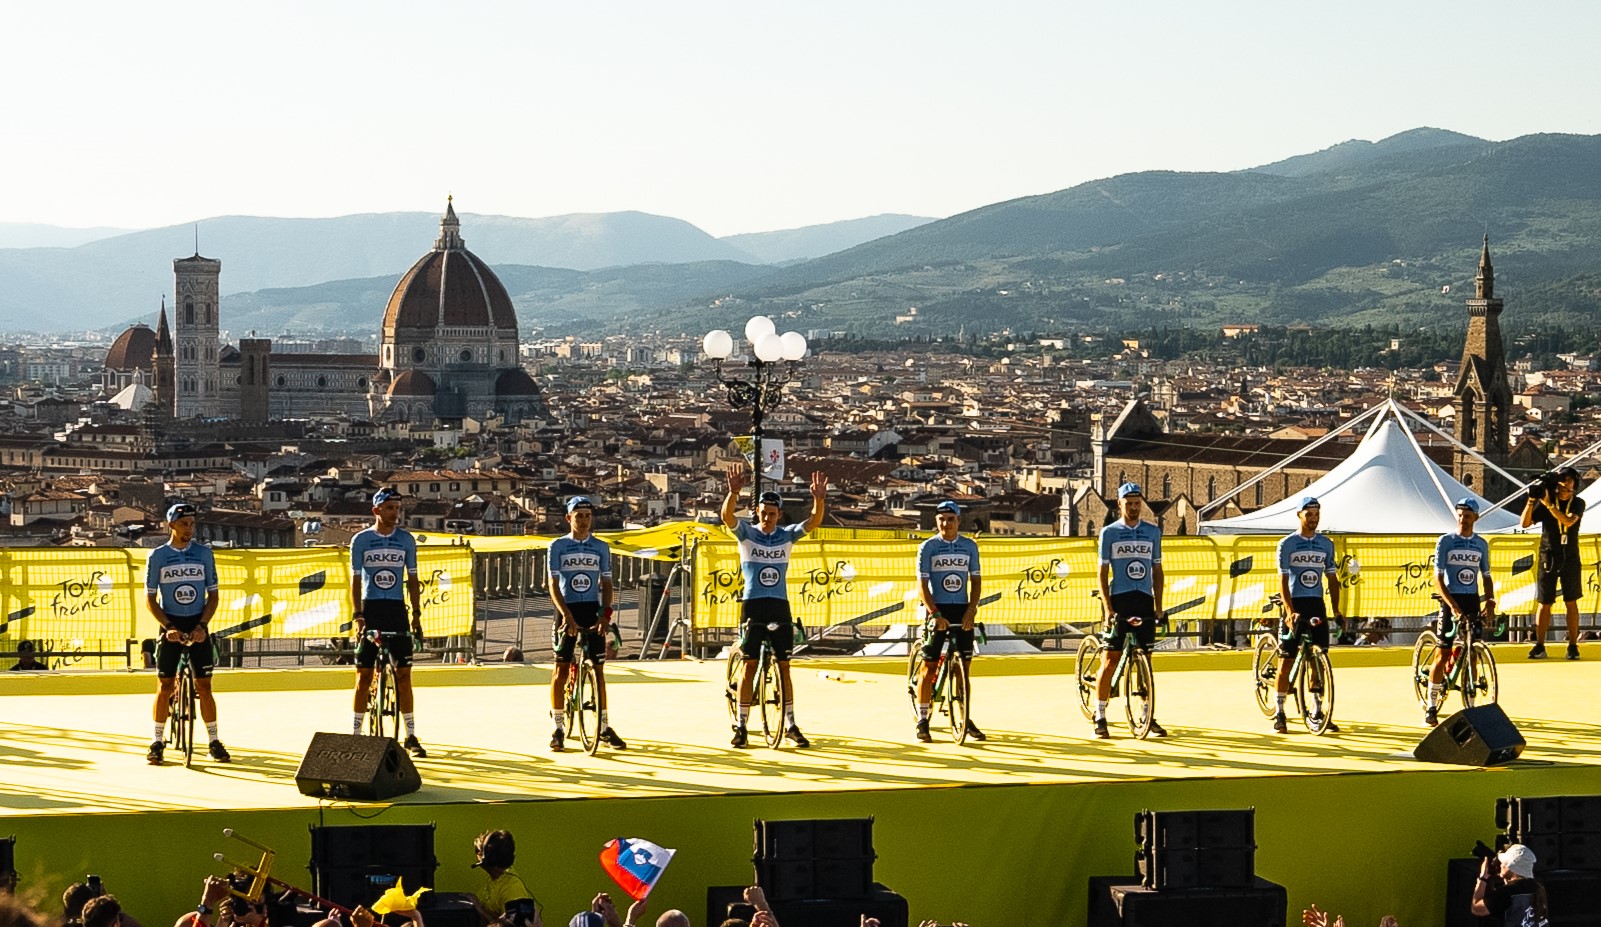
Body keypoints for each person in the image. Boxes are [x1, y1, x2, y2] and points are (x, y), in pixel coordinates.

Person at [720, 467, 827, 749]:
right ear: (757, 512)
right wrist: (733, 493)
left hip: (779, 605)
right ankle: (741, 725)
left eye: (772, 514)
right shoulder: (746, 533)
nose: (767, 518)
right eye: (763, 513)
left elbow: (814, 522)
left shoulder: (786, 536)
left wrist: (818, 499)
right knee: (750, 665)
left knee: (785, 666)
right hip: (753, 605)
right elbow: (727, 517)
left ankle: (790, 723)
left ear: (779, 514)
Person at [145, 502, 229, 765]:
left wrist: (203, 626)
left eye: (192, 524)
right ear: (171, 525)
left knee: (204, 686)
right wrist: (168, 627)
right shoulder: (157, 556)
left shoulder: (204, 554)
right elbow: (150, 599)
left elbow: (213, 596)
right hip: (171, 622)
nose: (189, 529)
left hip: (197, 623)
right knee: (165, 685)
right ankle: (157, 741)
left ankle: (214, 740)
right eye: (183, 524)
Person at [350, 487, 427, 758]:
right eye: (390, 508)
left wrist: (416, 615)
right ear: (377, 511)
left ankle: (411, 735)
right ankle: (356, 734)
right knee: (363, 676)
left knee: (404, 675)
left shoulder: (406, 540)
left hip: (397, 610)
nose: (396, 513)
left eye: (398, 508)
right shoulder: (360, 540)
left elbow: (413, 579)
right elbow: (356, 581)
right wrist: (358, 616)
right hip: (371, 609)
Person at [548, 497, 626, 752]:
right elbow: (552, 585)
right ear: (568, 518)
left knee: (599, 670)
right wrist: (567, 616)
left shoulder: (601, 547)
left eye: (587, 516)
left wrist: (605, 615)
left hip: (591, 609)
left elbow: (606, 585)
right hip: (567, 610)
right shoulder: (557, 546)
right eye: (578, 516)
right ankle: (558, 727)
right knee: (560, 670)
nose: (583, 520)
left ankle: (603, 727)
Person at [1092, 483, 1168, 739]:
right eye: (1129, 504)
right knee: (1111, 659)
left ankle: (1147, 715)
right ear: (1119, 505)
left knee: (1146, 658)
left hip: (1144, 599)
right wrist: (1107, 607)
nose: (1134, 508)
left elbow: (1157, 570)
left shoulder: (1152, 532)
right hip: (1120, 599)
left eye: (1137, 503)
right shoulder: (1109, 533)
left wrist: (1159, 606)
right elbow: (1102, 573)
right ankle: (1100, 715)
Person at [913, 500, 984, 743]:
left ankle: (965, 716)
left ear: (958, 521)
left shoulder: (969, 546)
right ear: (936, 521)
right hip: (937, 609)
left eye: (950, 519)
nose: (945, 523)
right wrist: (934, 613)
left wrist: (971, 611)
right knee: (929, 666)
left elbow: (976, 581)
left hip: (962, 609)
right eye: (941, 519)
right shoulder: (927, 547)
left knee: (963, 668)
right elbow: (922, 586)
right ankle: (923, 719)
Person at [1271, 497, 1343, 734]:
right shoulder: (1287, 544)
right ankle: (1279, 710)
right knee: (1287, 659)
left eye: (1316, 515)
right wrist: (1289, 611)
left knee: (1317, 658)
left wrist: (1337, 610)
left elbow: (1332, 579)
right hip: (1295, 603)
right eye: (1309, 515)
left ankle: (1317, 709)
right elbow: (1282, 579)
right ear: (1299, 516)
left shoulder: (1326, 544)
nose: (1313, 519)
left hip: (1316, 604)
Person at [1427, 499, 1496, 726]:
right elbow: (1437, 578)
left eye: (1467, 516)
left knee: (1472, 652)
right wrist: (1452, 605)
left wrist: (1491, 602)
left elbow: (1486, 576)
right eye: (1459, 515)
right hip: (1450, 599)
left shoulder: (1481, 544)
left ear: (1475, 518)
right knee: (1443, 653)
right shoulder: (1446, 541)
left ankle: (1472, 704)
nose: (1462, 520)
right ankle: (1431, 705)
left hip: (1472, 600)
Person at [1520, 466, 1585, 660]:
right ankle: (1539, 645)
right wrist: (1531, 501)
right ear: (1556, 486)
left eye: (1570, 485)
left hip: (1570, 557)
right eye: (1563, 485)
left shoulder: (1577, 502)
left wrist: (1549, 506)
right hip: (1548, 556)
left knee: (1571, 601)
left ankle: (1573, 645)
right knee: (1544, 602)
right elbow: (1524, 523)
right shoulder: (1547, 500)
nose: (1566, 489)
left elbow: (1567, 522)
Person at [468, 831, 538, 927]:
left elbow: (510, 925)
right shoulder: (495, 879)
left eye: (478, 851)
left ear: (486, 860)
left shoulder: (512, 890)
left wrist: (479, 908)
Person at [1472, 843, 1547, 926]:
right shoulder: (1538, 887)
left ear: (1510, 866)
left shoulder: (1506, 893)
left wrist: (1483, 878)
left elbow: (1476, 908)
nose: (1500, 865)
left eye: (1503, 862)